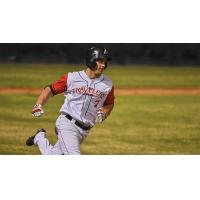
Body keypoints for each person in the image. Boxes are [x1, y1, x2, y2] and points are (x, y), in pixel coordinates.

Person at [26, 47, 115, 155]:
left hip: (85, 130)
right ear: (91, 60)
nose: (103, 65)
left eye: (105, 62)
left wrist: (105, 112)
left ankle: (39, 138)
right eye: (100, 61)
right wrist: (38, 105)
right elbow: (50, 89)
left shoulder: (108, 84)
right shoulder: (72, 78)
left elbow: (109, 103)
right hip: (67, 124)